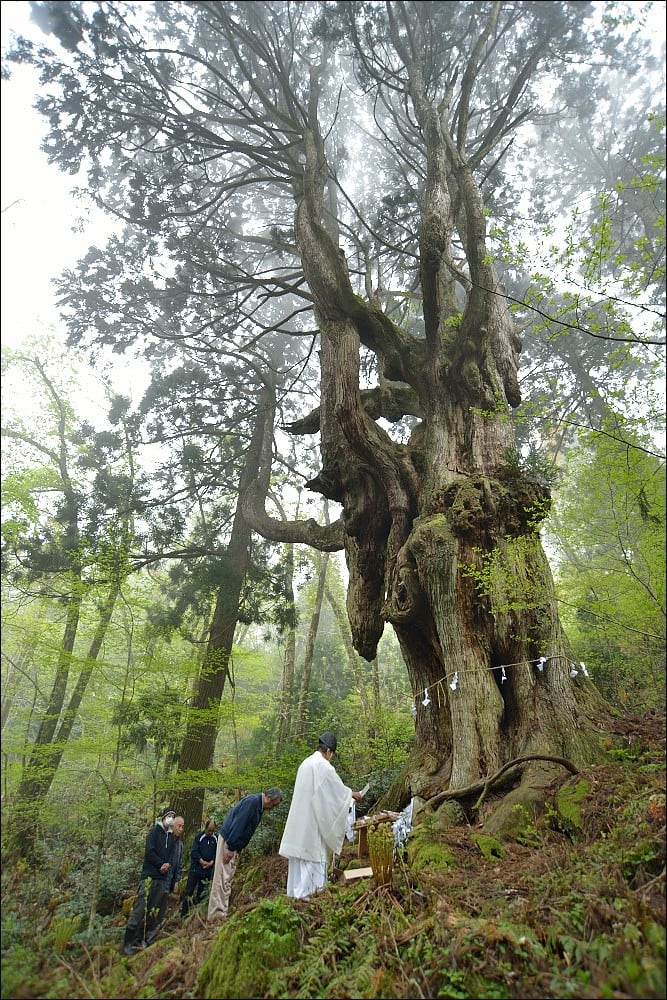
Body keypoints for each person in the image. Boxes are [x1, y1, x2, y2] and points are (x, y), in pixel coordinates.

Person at [279, 731, 363, 900]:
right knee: (312, 866)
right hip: (312, 827)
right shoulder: (323, 766)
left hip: (300, 826)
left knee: (299, 871)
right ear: (329, 752)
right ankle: (309, 901)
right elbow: (335, 794)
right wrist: (352, 795)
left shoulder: (306, 763)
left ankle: (295, 900)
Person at [207, 788, 283, 922]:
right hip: (230, 842)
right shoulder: (252, 803)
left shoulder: (257, 806)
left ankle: (221, 912)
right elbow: (239, 824)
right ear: (268, 798)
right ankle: (216, 916)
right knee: (222, 878)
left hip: (234, 844)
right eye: (274, 804)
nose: (273, 808)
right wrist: (230, 847)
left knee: (227, 877)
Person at [122, 807, 178, 956]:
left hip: (162, 879)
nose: (171, 818)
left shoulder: (171, 838)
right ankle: (127, 942)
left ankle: (141, 940)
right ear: (164, 817)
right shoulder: (154, 833)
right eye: (169, 816)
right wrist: (160, 864)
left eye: (173, 816)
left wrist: (168, 865)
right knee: (140, 908)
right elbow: (150, 852)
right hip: (149, 876)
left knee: (153, 911)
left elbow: (172, 855)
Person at [151, 815, 185, 939]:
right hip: (160, 879)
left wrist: (177, 880)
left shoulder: (180, 844)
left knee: (162, 908)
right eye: (178, 826)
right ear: (173, 826)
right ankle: (148, 932)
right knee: (154, 905)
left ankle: (155, 933)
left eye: (182, 827)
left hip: (169, 881)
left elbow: (179, 864)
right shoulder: (166, 840)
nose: (181, 829)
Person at [181, 817, 218, 915]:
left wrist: (211, 862)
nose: (210, 833)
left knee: (201, 894)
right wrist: (201, 861)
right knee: (189, 891)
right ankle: (184, 913)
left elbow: (217, 853)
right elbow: (194, 852)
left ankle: (196, 914)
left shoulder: (216, 838)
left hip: (207, 872)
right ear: (205, 828)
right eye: (209, 830)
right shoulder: (199, 837)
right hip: (196, 869)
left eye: (212, 831)